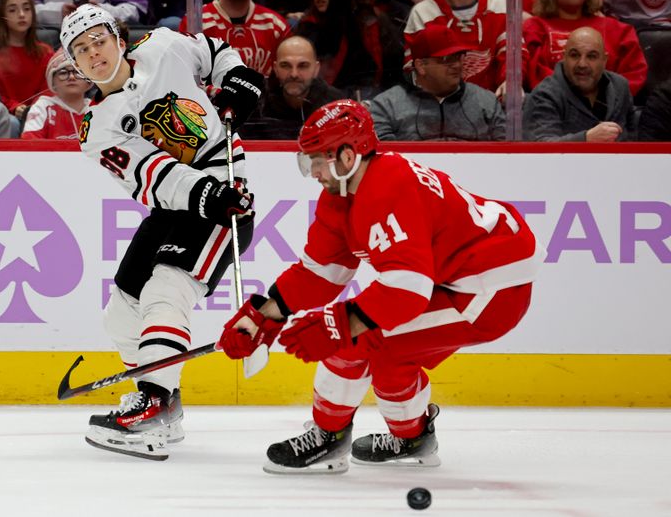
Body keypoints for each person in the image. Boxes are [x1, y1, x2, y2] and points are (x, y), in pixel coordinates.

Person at [216, 99, 544, 474]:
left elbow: (408, 290)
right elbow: (320, 273)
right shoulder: (341, 195)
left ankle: (328, 437)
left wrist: (341, 323)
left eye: (317, 160)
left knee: (357, 340)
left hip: (491, 290)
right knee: (386, 354)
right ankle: (413, 438)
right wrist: (262, 314)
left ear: (348, 154)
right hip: (458, 275)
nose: (312, 172)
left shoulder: (387, 187)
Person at [59, 4, 262, 460]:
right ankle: (164, 402)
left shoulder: (163, 46)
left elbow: (214, 50)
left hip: (226, 195)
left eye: (99, 40)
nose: (94, 53)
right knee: (121, 311)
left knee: (166, 290)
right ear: (75, 64)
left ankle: (151, 402)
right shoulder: (98, 128)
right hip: (179, 204)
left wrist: (240, 78)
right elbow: (155, 174)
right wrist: (204, 193)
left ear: (118, 37)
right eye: (82, 50)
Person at [369, 23, 506, 141]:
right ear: (421, 66)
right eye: (446, 59)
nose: (457, 65)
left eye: (458, 57)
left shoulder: (487, 102)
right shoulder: (387, 106)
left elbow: (507, 155)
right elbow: (383, 158)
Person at [523, 0, 648, 96]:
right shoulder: (534, 27)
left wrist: (601, 97)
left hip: (606, 109)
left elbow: (634, 75)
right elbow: (534, 71)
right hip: (553, 106)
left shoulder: (618, 30)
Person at [523, 27, 636, 141]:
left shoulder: (620, 87)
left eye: (591, 56)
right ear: (564, 57)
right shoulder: (545, 94)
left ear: (604, 60)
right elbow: (540, 147)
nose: (582, 64)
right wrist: (586, 139)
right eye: (574, 55)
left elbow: (634, 139)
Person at [295, 0, 404, 99]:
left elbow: (393, 65)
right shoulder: (309, 23)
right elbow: (328, 48)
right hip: (325, 93)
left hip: (369, 91)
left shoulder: (369, 17)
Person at [240, 35, 344, 139]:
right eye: (285, 65)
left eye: (303, 66)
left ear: (316, 69)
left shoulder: (337, 106)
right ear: (275, 69)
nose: (294, 74)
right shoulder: (255, 105)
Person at [178, 0, 290, 78]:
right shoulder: (195, 22)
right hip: (208, 102)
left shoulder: (275, 25)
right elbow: (184, 74)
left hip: (263, 101)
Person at [0, 0, 53, 121]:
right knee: (12, 123)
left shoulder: (45, 52)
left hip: (40, 115)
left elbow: (49, 91)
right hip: (3, 115)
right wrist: (14, 107)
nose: (21, 14)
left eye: (26, 9)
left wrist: (33, 110)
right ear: (3, 16)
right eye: (12, 10)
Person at [21, 49, 92, 139]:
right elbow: (30, 143)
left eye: (78, 72)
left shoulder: (98, 109)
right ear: (52, 82)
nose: (71, 77)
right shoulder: (43, 107)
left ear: (88, 80)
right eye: (63, 73)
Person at [20, 0, 149, 26]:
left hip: (102, 30)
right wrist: (58, 12)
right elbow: (20, 11)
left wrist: (102, 11)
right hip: (50, 34)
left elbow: (137, 9)